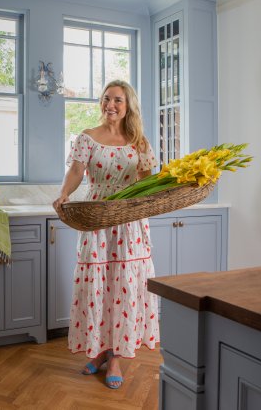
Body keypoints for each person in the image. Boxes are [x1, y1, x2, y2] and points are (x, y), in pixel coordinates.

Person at [53, 80, 160, 389]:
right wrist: (63, 195)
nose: (110, 105)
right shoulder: (87, 138)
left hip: (129, 224)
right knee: (99, 285)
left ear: (128, 107)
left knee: (124, 285)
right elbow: (75, 172)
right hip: (97, 218)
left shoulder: (138, 141)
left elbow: (149, 179)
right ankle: (99, 351)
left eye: (118, 100)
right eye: (106, 99)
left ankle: (116, 357)